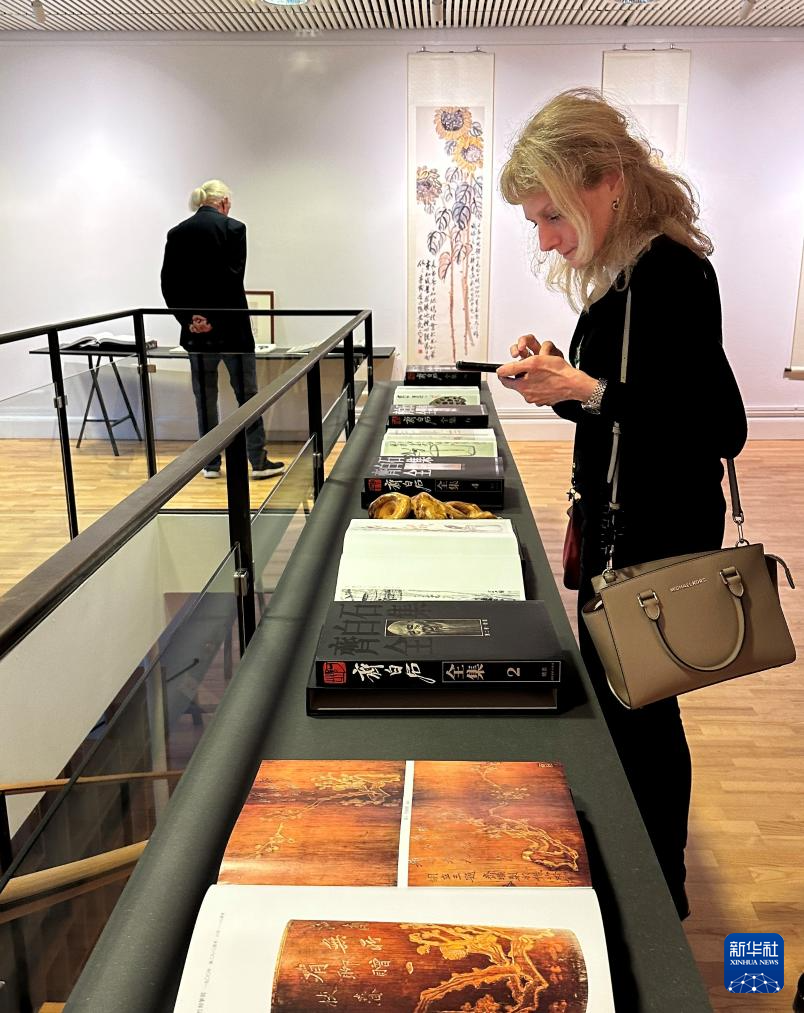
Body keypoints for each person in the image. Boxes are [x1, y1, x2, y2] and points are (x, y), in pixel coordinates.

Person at [497, 89, 747, 919]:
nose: (545, 237)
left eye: (550, 215)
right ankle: (642, 878)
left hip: (652, 535)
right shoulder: (624, 276)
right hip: (615, 529)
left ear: (605, 180)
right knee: (626, 709)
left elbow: (719, 426)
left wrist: (588, 388)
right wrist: (561, 378)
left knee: (641, 715)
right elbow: (625, 406)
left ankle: (657, 893)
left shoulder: (673, 274)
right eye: (536, 221)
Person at [160, 179, 284, 479]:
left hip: (196, 334)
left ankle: (210, 463)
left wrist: (191, 319)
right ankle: (258, 461)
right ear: (224, 202)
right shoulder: (234, 228)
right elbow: (231, 279)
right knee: (248, 396)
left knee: (204, 399)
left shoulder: (177, 233)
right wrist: (214, 318)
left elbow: (169, 283)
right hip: (232, 330)